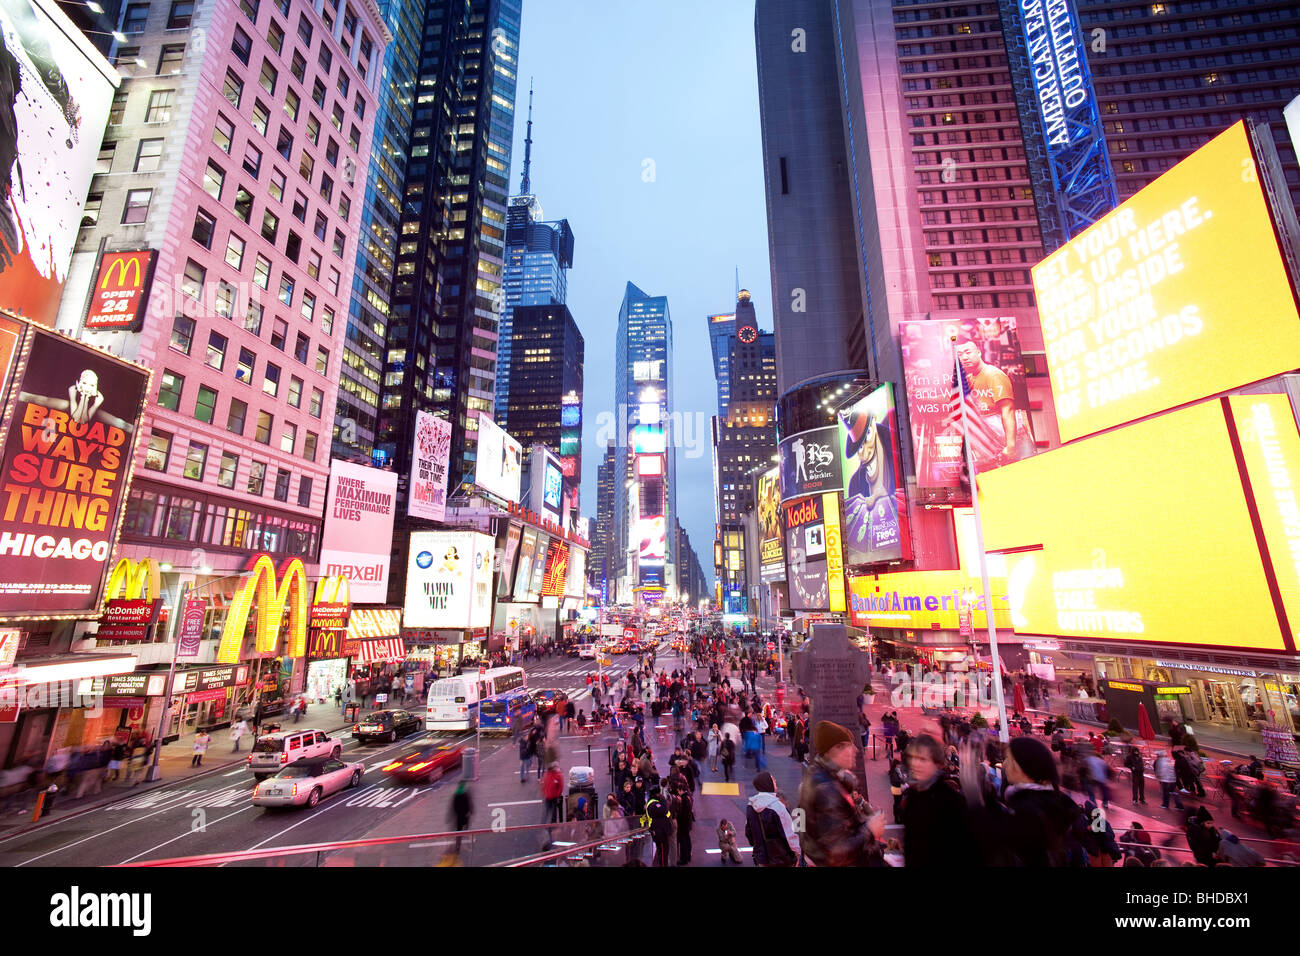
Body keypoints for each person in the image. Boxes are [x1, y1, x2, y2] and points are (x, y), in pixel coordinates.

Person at [961, 736, 1092, 867]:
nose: (1004, 764)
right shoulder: (1051, 800)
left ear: (1023, 766)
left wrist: (974, 799)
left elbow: (995, 845)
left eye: (1009, 759)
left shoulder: (1028, 811)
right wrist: (987, 797)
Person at [797, 721, 886, 867]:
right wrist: (870, 830)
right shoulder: (826, 789)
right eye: (849, 745)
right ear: (834, 749)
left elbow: (799, 823)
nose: (856, 750)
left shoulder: (818, 776)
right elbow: (836, 853)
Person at [899, 734, 981, 867]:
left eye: (922, 759)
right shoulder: (913, 796)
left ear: (937, 764)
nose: (915, 764)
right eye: (913, 758)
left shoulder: (951, 801)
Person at [745, 771, 800, 867]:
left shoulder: (751, 805)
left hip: (761, 858)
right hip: (780, 859)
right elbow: (789, 835)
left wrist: (758, 848)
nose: (775, 781)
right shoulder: (777, 807)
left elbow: (749, 832)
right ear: (767, 783)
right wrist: (798, 853)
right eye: (772, 779)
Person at [450, 781, 473, 853]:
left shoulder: (456, 794)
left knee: (459, 831)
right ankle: (467, 837)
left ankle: (458, 846)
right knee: (465, 827)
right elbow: (469, 804)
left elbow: (454, 807)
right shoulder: (465, 794)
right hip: (465, 816)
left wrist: (452, 816)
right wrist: (470, 811)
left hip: (458, 817)